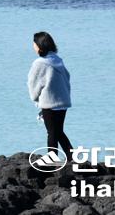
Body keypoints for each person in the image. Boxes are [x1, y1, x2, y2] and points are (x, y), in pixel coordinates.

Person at [27, 32, 73, 161]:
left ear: (39, 46)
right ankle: (72, 156)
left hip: (49, 102)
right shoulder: (58, 60)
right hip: (63, 102)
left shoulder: (39, 63)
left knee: (52, 133)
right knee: (58, 131)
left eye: (34, 43)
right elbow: (67, 77)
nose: (33, 46)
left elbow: (33, 83)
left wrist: (35, 98)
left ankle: (52, 159)